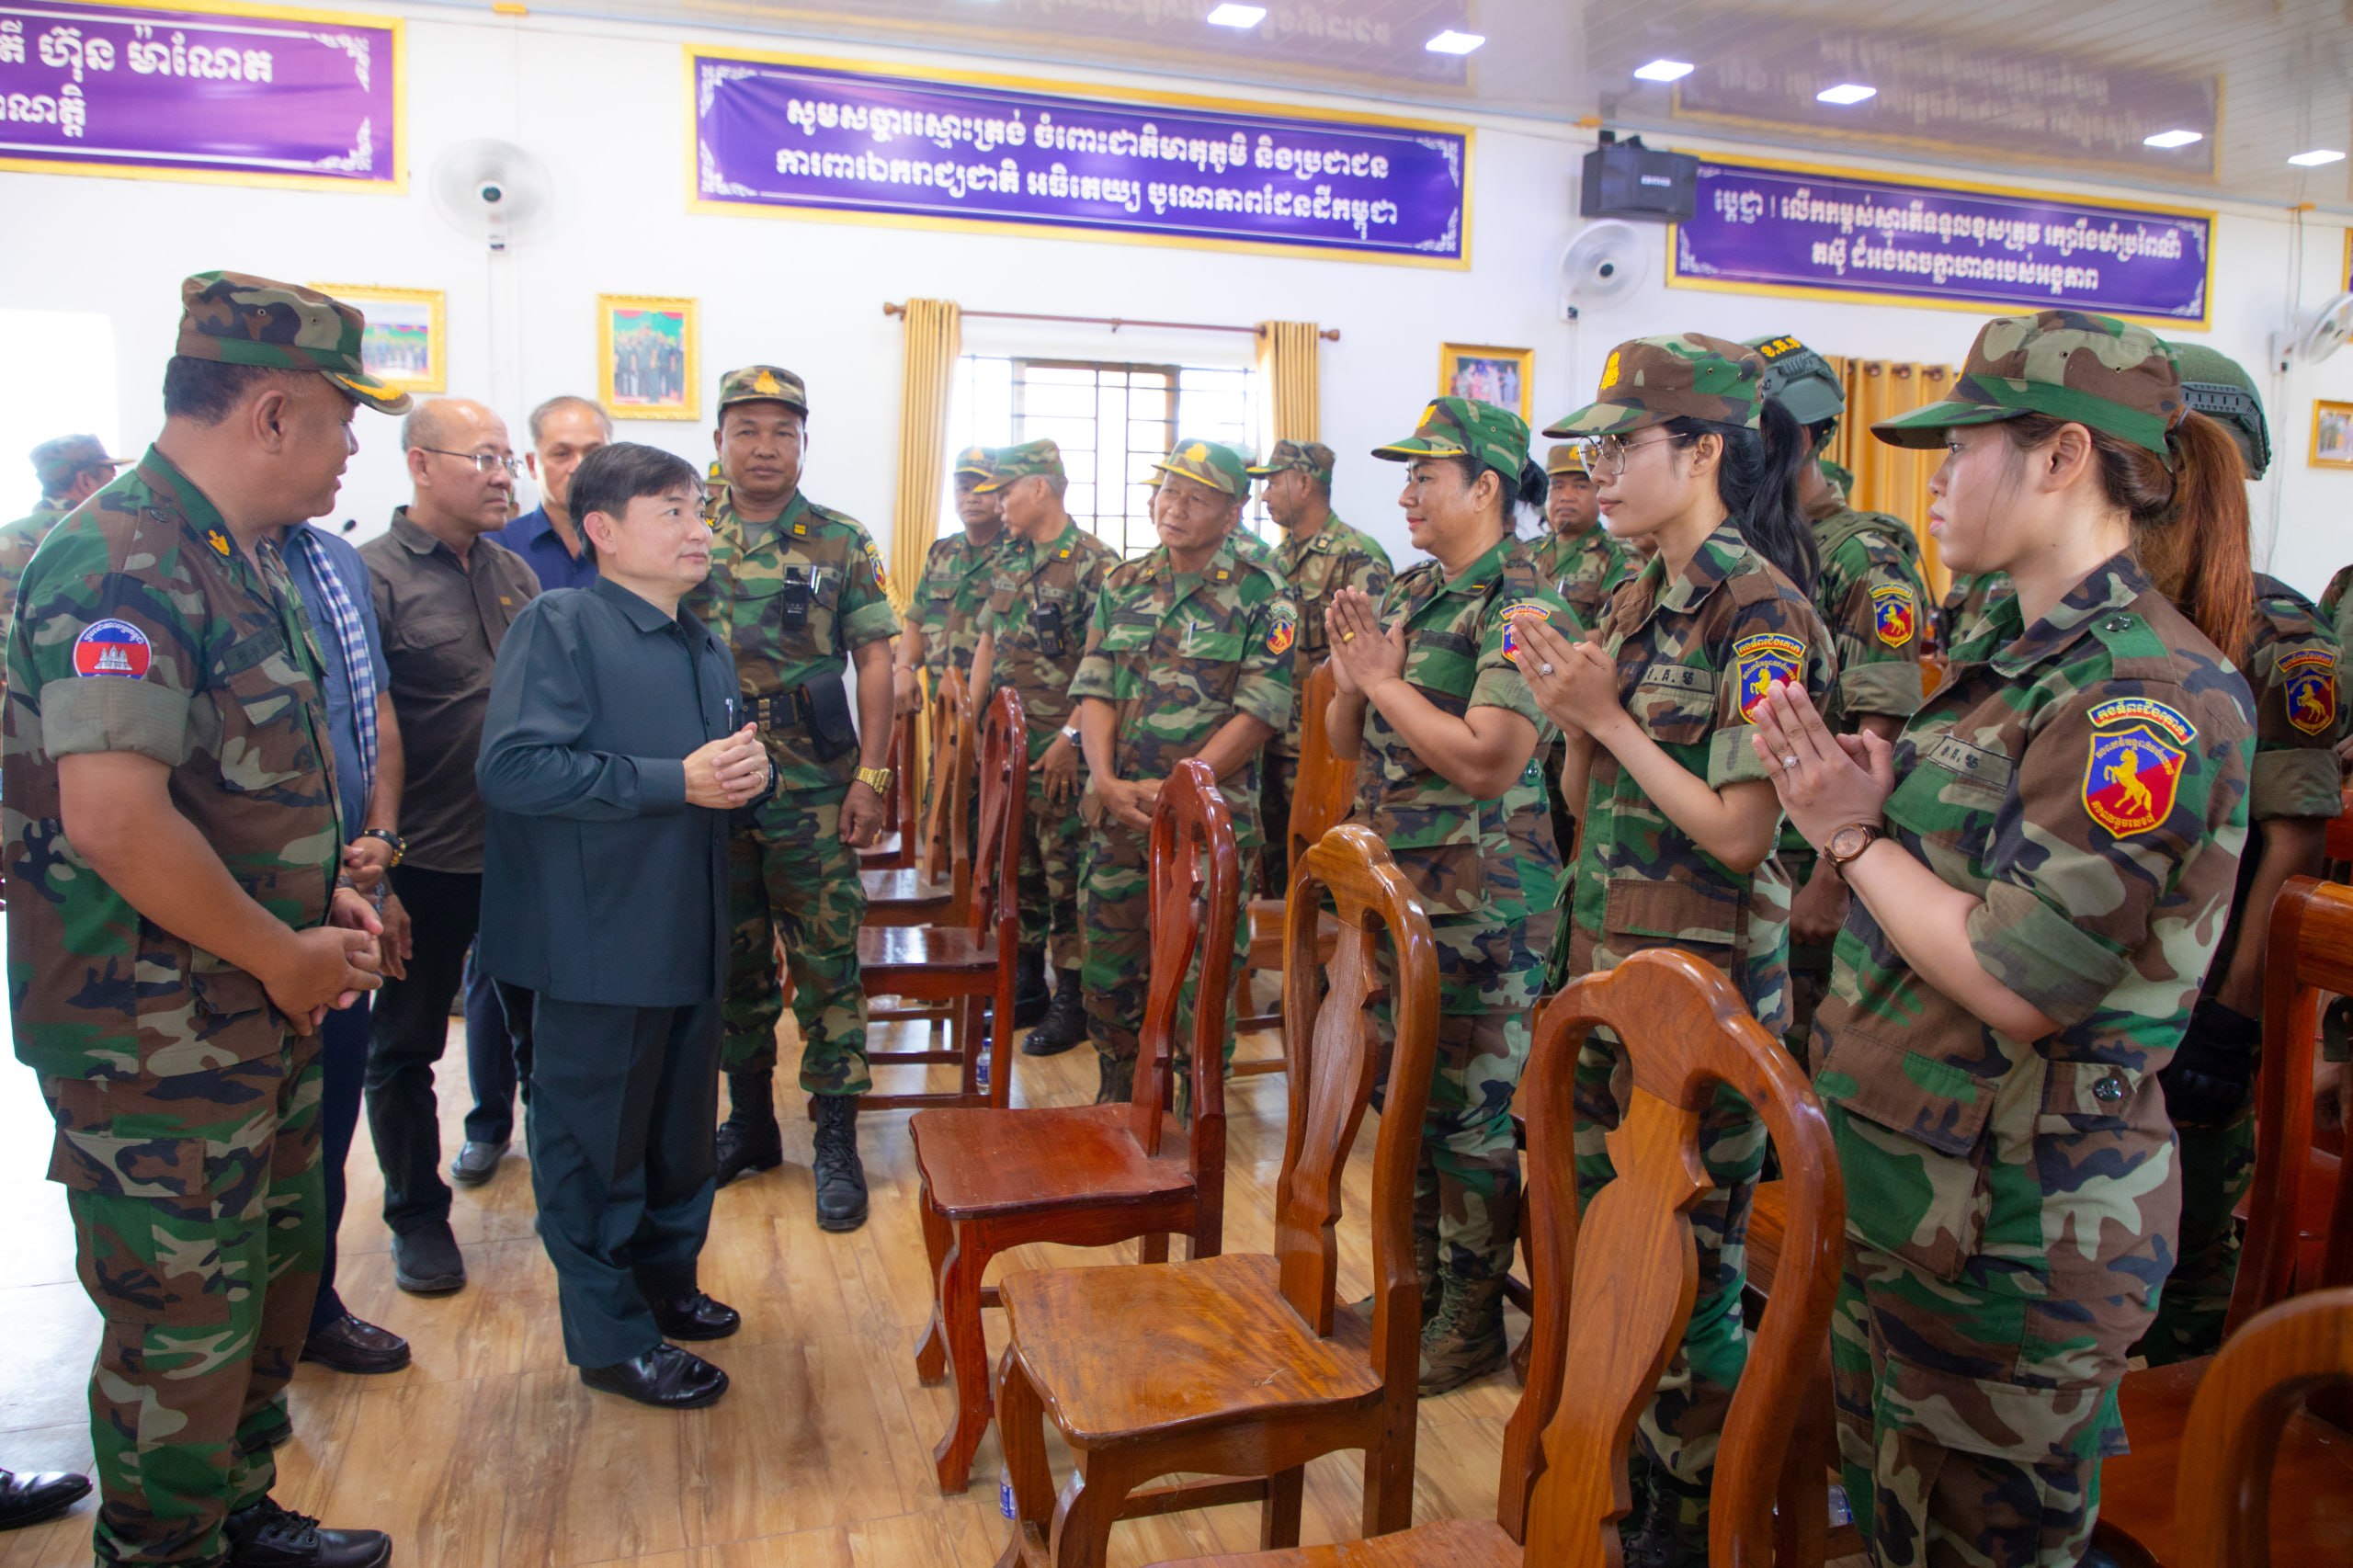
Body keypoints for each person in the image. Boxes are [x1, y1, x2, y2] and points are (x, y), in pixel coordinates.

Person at [1755, 309, 2254, 1567]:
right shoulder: (2008, 658)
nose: (1934, 481)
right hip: (1913, 1193)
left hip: (2019, 1231)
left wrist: (1853, 836)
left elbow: (2019, 978)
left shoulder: (2142, 693)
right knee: (1893, 1529)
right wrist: (1870, 814)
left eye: (1961, 447)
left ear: (2061, 456)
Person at [5, 270, 397, 1568]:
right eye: (344, 419)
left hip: (245, 1003)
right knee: (180, 1320)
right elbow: (116, 819)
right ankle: (165, 1545)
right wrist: (283, 951)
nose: (351, 450)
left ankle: (234, 1512)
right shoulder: (122, 559)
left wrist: (316, 895)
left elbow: (230, 785)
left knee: (267, 1283)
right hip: (151, 1033)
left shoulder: (234, 552)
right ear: (272, 412)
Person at [1523, 334, 1835, 1564]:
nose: (1600, 472)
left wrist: (1604, 717)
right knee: (1615, 1254)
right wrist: (1575, 726)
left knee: (1690, 1276)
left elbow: (1742, 832)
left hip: (1707, 1001)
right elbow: (1581, 801)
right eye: (1594, 451)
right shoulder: (1631, 594)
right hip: (1612, 974)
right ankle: (1627, 1478)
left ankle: (1696, 1517)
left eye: (1623, 446)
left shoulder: (1760, 612)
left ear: (1703, 451)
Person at [478, 442, 771, 1410]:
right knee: (594, 1149)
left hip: (689, 929)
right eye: (672, 512)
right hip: (596, 941)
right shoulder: (561, 624)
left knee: (678, 1137)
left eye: (699, 510)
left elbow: (714, 775)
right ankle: (610, 1338)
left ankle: (665, 1284)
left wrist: (750, 776)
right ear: (602, 529)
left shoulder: (701, 642)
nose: (698, 530)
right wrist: (671, 781)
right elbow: (513, 769)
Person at [1327, 397, 1573, 1392]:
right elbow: (1343, 740)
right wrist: (1353, 681)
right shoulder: (1414, 588)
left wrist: (1383, 682)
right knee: (1409, 1102)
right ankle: (1418, 1289)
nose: (1406, 495)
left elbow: (1487, 759)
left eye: (1425, 476)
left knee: (1469, 1125)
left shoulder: (1525, 607)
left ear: (1485, 488)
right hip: (1407, 896)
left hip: (1488, 907)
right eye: (1406, 477)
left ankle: (1468, 1322)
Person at [2135, 344, 2343, 1364]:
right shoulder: (2101, 609)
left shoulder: (2282, 630)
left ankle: (2187, 1430)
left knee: (2186, 1256)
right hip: (2094, 973)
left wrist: (2232, 1017)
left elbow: (2294, 836)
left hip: (2203, 983)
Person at [686, 366, 898, 1230]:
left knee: (825, 957)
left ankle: (836, 1138)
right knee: (729, 954)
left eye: (783, 432)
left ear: (805, 444)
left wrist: (873, 777)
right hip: (711, 774)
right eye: (747, 430)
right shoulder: (686, 529)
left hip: (812, 778)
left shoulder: (840, 540)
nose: (765, 447)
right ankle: (749, 1124)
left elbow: (877, 661)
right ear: (719, 442)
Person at [358, 398, 540, 1294]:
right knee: (403, 1047)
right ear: (421, 463)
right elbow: (360, 734)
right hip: (422, 860)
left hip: (520, 854)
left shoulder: (514, 573)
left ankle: (570, 1199)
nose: (504, 476)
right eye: (484, 458)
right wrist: (376, 875)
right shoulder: (370, 577)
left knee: (546, 1037)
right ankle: (416, 1216)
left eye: (508, 459)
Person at [1069, 438, 1294, 1103]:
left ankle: (1199, 1117)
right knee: (1109, 967)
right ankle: (1118, 1097)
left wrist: (1178, 791)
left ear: (1233, 514)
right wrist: (1104, 779)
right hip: (1120, 812)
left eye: (1197, 498)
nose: (1176, 507)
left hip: (1205, 822)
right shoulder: (1123, 583)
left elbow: (1259, 714)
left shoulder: (1263, 595)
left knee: (1202, 977)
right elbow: (1095, 689)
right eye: (1169, 491)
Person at [1748, 335, 1932, 1056]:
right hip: (1754, 848)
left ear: (1803, 440)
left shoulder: (1861, 556)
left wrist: (1831, 878)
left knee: (1794, 1062)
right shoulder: (1760, 540)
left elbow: (1881, 727)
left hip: (1811, 860)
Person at [459, 394, 614, 1191]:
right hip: (522, 791)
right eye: (560, 452)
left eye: (592, 450)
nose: (577, 466)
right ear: (533, 462)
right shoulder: (500, 551)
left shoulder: (631, 547)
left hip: (606, 794)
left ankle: (573, 1124)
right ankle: (488, 1123)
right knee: (499, 967)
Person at [279, 515, 415, 1378]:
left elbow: (374, 714)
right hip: (244, 909)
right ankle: (238, 1362)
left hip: (342, 890)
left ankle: (310, 1308)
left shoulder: (331, 562)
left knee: (325, 1122)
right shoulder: (172, 555)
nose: (351, 454)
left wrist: (381, 847)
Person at [967, 439, 1120, 1058]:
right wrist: (974, 725)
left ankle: (1073, 998)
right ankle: (1027, 983)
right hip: (1009, 750)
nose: (997, 503)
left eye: (1006, 491)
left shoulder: (1095, 564)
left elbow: (1106, 664)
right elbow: (987, 642)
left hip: (1063, 753)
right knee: (1019, 868)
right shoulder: (1009, 557)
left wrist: (1071, 738)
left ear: (1040, 488)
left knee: (1066, 876)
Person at [892, 444, 1047, 1023]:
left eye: (984, 487)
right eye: (962, 486)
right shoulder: (942, 552)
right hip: (950, 724)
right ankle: (944, 960)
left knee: (1003, 845)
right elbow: (914, 621)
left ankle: (1010, 966)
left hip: (1004, 723)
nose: (972, 497)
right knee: (946, 836)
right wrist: (904, 668)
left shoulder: (1018, 552)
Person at [1244, 438, 1392, 892]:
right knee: (1274, 870)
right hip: (1270, 738)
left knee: (1324, 879)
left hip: (1326, 749)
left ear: (1305, 484)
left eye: (1273, 483)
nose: (1265, 495)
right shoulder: (1275, 560)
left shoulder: (1356, 555)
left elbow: (1369, 660)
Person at [1529, 440, 1634, 857]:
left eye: (1579, 486)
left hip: (1574, 717)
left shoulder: (1616, 556)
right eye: (1557, 487)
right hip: (1526, 712)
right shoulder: (1529, 555)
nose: (1566, 497)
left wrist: (1541, 641)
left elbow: (1614, 631)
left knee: (1573, 831)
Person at [0, 435, 127, 653]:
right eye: (112, 475)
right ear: (86, 481)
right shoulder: (103, 537)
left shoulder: (6, 535)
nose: (117, 484)